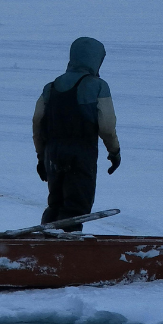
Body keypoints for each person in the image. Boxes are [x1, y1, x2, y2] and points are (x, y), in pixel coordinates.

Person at [33, 37, 121, 228]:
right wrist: (114, 151)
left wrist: (41, 157)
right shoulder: (98, 86)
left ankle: (45, 244)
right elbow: (106, 127)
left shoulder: (51, 87)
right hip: (81, 153)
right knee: (75, 209)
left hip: (52, 154)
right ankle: (67, 248)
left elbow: (37, 123)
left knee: (55, 204)